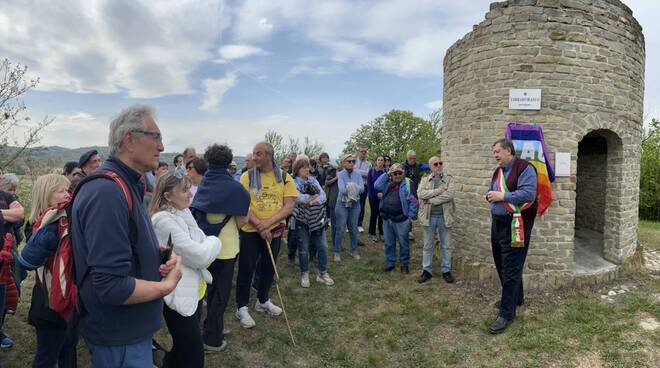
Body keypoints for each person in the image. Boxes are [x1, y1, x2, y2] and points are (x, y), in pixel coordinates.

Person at [71, 105, 182, 367]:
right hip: (118, 335)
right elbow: (111, 286)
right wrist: (167, 286)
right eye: (156, 137)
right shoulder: (107, 193)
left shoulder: (126, 183)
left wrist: (155, 254)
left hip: (127, 332)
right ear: (129, 140)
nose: (162, 146)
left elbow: (123, 244)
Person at [150, 170, 221, 368]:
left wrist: (203, 245)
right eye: (184, 190)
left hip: (192, 289)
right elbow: (200, 255)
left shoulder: (182, 211)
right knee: (193, 354)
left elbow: (198, 241)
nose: (190, 194)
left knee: (184, 348)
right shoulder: (163, 220)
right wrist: (216, 241)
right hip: (177, 293)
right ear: (167, 196)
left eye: (189, 189)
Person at [191, 144, 249, 352]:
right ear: (228, 161)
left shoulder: (204, 182)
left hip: (204, 247)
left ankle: (212, 328)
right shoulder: (235, 187)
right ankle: (212, 339)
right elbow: (242, 222)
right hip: (225, 249)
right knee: (220, 295)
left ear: (208, 161)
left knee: (208, 291)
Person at [16, 174, 78, 367]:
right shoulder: (46, 223)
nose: (67, 194)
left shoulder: (68, 218)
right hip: (49, 299)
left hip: (68, 295)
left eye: (68, 190)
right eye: (61, 191)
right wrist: (52, 226)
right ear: (46, 196)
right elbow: (27, 260)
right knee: (47, 355)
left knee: (68, 348)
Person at [235, 142, 297, 329]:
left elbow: (288, 206)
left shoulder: (285, 178)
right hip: (250, 232)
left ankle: (262, 300)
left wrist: (267, 225)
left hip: (274, 231)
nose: (254, 158)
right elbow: (244, 205)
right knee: (246, 268)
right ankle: (242, 307)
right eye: (254, 154)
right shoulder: (246, 176)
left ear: (269, 155)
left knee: (269, 267)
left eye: (259, 154)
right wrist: (260, 226)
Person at [486, 138, 537, 334]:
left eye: (498, 151)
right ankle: (517, 298)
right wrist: (490, 195)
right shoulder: (498, 171)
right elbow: (493, 190)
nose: (495, 155)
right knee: (502, 263)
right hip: (497, 224)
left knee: (511, 268)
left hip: (516, 225)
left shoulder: (525, 168)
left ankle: (507, 313)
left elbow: (528, 194)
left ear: (508, 150)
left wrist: (503, 196)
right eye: (494, 153)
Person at [291, 157, 334, 288]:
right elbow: (296, 197)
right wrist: (310, 198)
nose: (307, 169)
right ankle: (305, 273)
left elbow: (323, 196)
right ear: (297, 170)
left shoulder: (313, 180)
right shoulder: (293, 183)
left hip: (317, 219)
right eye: (303, 167)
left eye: (307, 167)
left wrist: (310, 201)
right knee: (303, 249)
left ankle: (322, 273)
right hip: (301, 220)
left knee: (323, 247)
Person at [416, 156, 456, 284]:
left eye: (440, 163)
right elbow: (421, 194)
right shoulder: (424, 180)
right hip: (429, 217)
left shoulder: (449, 179)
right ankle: (426, 271)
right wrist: (438, 190)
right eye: (435, 164)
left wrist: (431, 200)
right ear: (430, 167)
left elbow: (449, 195)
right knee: (428, 245)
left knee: (446, 245)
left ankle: (446, 270)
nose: (438, 165)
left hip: (445, 217)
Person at [374, 163, 419, 273]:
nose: (397, 175)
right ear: (392, 174)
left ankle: (404, 264)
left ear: (403, 174)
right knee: (389, 243)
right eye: (395, 173)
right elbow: (376, 185)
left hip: (402, 220)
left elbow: (414, 202)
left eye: (400, 173)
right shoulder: (387, 184)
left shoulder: (408, 184)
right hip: (387, 218)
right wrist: (387, 173)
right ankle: (390, 263)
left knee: (403, 243)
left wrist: (411, 217)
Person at [0, 177, 23, 350]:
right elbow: (12, 215)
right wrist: (6, 215)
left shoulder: (6, 196)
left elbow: (19, 214)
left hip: (4, 258)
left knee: (2, 298)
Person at [333, 154, 363, 261]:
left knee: (353, 229)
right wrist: (354, 187)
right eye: (349, 161)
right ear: (343, 163)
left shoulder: (358, 174)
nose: (351, 163)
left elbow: (362, 189)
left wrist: (350, 186)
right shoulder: (340, 174)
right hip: (342, 204)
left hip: (355, 204)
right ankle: (337, 252)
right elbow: (342, 190)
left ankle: (354, 250)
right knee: (340, 229)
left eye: (353, 161)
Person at [367, 155, 386, 242]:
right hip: (373, 197)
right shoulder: (371, 171)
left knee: (382, 214)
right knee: (374, 214)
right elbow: (369, 185)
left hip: (383, 197)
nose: (380, 162)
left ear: (384, 162)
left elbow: (387, 184)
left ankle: (381, 233)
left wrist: (383, 193)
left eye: (382, 160)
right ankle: (372, 233)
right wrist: (375, 194)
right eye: (378, 160)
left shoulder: (386, 172)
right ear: (376, 161)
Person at [354, 147, 371, 233]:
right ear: (358, 152)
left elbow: (368, 174)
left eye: (365, 151)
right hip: (353, 186)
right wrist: (361, 172)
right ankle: (351, 224)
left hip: (363, 186)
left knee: (361, 205)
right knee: (352, 204)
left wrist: (356, 170)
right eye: (362, 151)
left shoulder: (368, 164)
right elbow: (350, 171)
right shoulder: (353, 161)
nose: (363, 153)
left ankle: (359, 224)